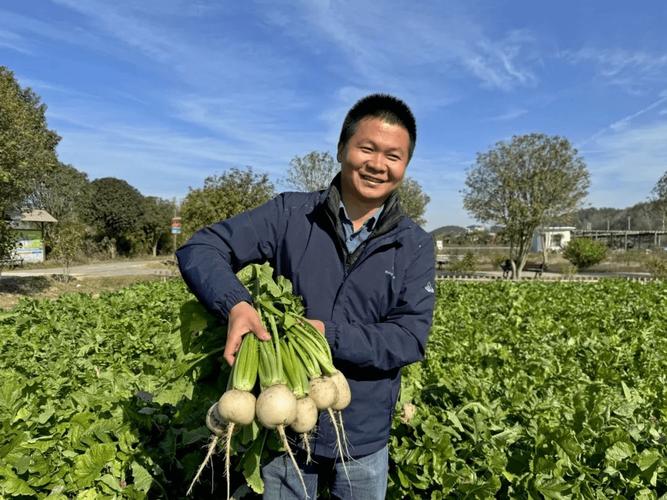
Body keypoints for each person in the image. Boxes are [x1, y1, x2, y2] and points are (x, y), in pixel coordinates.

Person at [176, 93, 436, 499]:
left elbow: (408, 337)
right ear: (341, 149)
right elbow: (201, 248)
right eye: (366, 148)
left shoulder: (415, 245)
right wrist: (236, 304)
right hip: (286, 432)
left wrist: (324, 335)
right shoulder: (290, 215)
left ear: (405, 166)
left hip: (364, 437)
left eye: (393, 156)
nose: (377, 164)